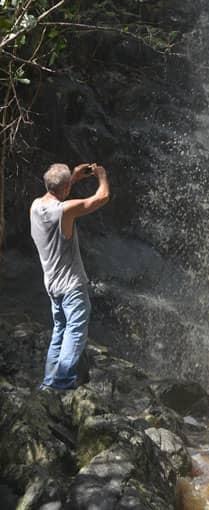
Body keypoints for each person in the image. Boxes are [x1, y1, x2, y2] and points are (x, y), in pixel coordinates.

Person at [30, 162, 110, 390]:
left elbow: (56, 192)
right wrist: (102, 176)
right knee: (74, 332)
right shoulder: (65, 211)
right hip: (71, 286)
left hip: (52, 285)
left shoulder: (35, 206)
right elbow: (101, 198)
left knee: (60, 330)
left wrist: (72, 178)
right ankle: (62, 383)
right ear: (65, 188)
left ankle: (48, 383)